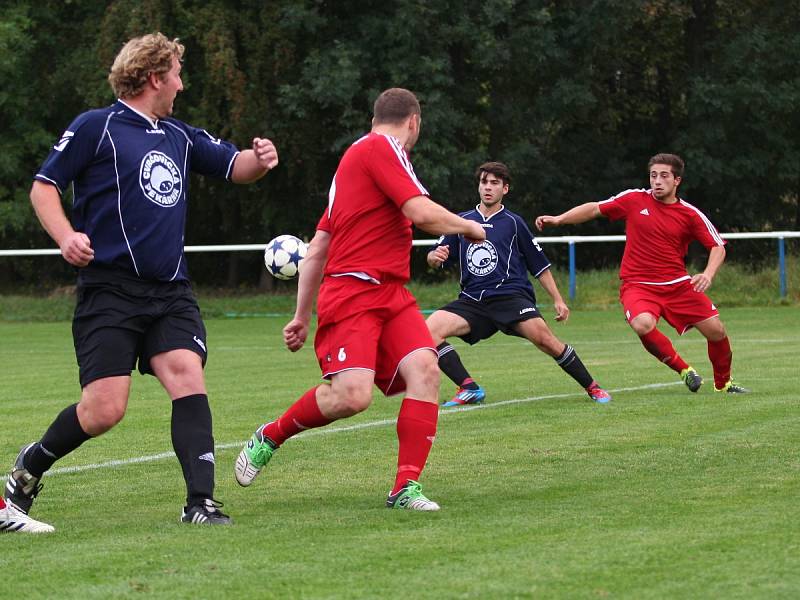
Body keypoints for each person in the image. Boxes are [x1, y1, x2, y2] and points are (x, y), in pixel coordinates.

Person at [3, 32, 279, 530]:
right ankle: (28, 470)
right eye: (175, 73)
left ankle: (201, 503)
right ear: (154, 77)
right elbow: (44, 187)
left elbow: (234, 166)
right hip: (110, 290)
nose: (181, 83)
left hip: (170, 290)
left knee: (186, 374)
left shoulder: (179, 134)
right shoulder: (97, 127)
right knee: (104, 410)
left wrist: (258, 161)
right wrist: (66, 237)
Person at [234, 88, 486, 511]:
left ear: (374, 119)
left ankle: (405, 488)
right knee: (352, 396)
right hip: (352, 291)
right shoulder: (381, 148)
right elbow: (421, 214)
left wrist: (300, 315)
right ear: (414, 123)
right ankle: (271, 434)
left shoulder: (357, 164)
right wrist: (469, 227)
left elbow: (317, 246)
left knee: (426, 368)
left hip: (391, 293)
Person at [535, 153, 747, 394]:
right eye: (653, 175)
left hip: (678, 285)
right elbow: (595, 208)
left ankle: (724, 384)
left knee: (716, 330)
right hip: (638, 285)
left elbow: (717, 245)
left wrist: (708, 274)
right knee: (642, 324)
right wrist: (559, 219)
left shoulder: (690, 213)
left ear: (677, 180)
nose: (657, 181)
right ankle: (685, 370)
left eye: (664, 176)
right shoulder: (634, 199)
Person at [426, 162, 612, 406]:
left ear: (505, 189)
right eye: (484, 182)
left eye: (494, 183)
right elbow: (435, 256)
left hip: (510, 297)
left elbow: (539, 265)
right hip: (472, 300)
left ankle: (593, 387)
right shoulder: (461, 221)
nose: (488, 188)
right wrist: (433, 258)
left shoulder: (514, 223)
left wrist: (558, 299)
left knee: (547, 341)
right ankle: (469, 388)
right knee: (426, 332)